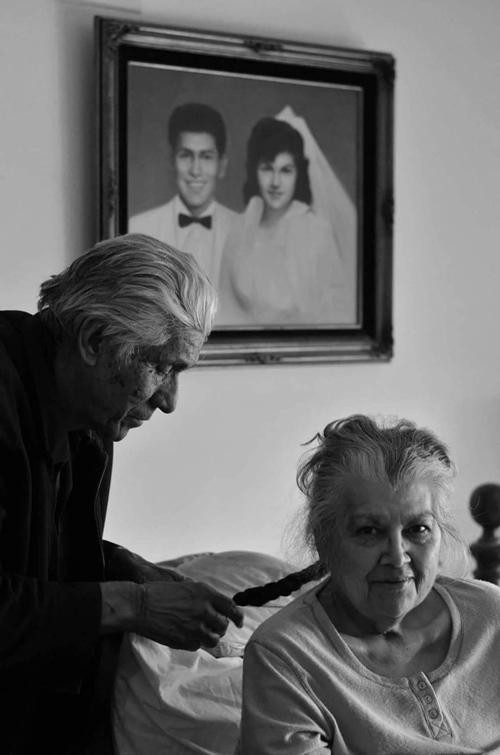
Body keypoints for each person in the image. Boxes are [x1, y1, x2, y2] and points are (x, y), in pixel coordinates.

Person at [0, 233, 243, 754]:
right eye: (162, 366)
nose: (169, 400)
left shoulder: (88, 415)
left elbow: (30, 555)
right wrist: (134, 604)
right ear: (93, 340)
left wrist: (127, 569)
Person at [235, 414, 500, 754]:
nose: (397, 556)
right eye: (369, 531)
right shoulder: (287, 657)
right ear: (324, 541)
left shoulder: (490, 615)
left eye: (417, 529)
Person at [216, 115, 349, 327]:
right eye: (267, 168)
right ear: (254, 171)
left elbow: (335, 311)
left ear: (298, 174)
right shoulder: (239, 231)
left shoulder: (317, 233)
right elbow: (224, 308)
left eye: (286, 170)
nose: (276, 182)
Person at [129, 102, 237, 289]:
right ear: (172, 161)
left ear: (222, 165)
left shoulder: (242, 231)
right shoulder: (138, 228)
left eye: (206, 157)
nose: (195, 170)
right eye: (186, 155)